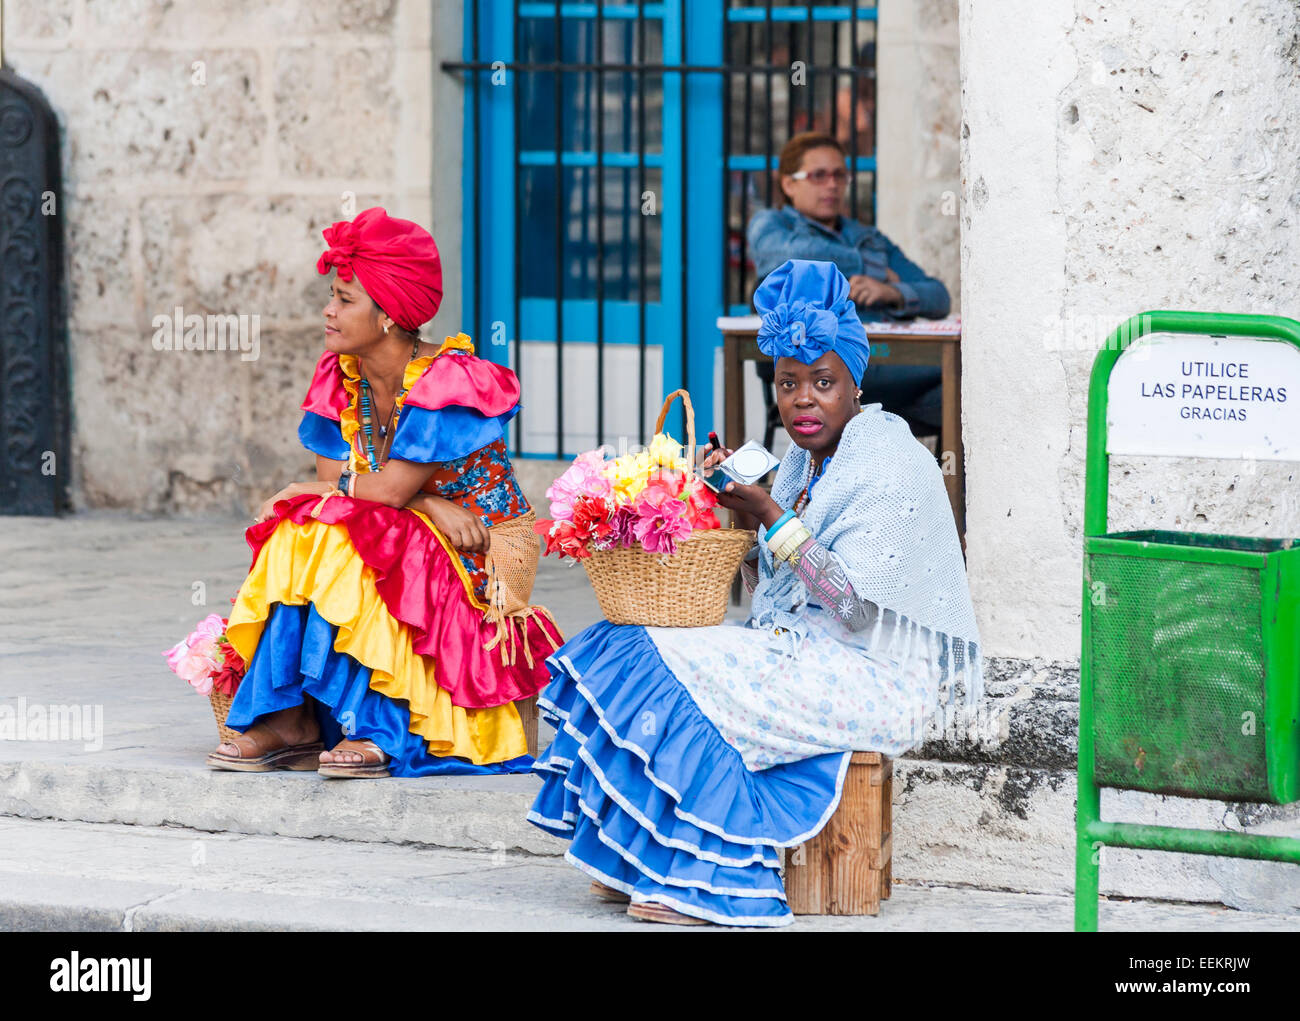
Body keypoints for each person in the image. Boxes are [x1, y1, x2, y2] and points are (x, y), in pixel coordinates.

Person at [527, 259, 981, 925]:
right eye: (789, 383)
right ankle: (644, 851)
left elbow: (852, 606)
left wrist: (769, 510)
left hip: (874, 675)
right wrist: (739, 510)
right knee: (623, 642)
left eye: (823, 382)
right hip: (805, 649)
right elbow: (779, 589)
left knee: (668, 664)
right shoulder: (805, 460)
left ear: (856, 381)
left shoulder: (888, 457)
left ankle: (707, 877)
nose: (803, 399)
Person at [206, 207, 561, 778]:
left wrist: (392, 498)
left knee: (338, 524)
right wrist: (422, 502)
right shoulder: (338, 374)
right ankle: (290, 718)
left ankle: (382, 726)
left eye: (345, 299)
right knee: (310, 526)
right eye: (332, 295)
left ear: (391, 315)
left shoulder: (449, 380)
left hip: (483, 549)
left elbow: (365, 489)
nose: (329, 309)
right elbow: (361, 492)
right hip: (407, 526)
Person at [747, 132, 950, 434]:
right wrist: (874, 267)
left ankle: (908, 458)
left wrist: (892, 291)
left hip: (886, 362)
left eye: (839, 175)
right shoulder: (772, 226)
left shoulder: (867, 236)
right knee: (958, 375)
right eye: (818, 175)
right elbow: (788, 254)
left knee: (958, 388)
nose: (832, 185)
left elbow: (938, 296)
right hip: (815, 370)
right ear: (789, 184)